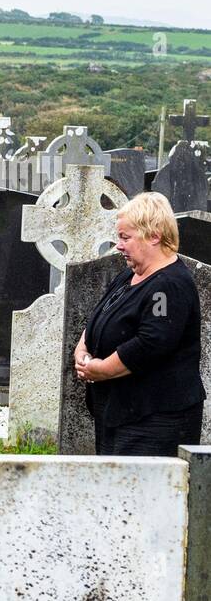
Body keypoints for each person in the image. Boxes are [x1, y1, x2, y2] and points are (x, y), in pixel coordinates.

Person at [75, 192, 204, 456]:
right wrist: (82, 351)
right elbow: (100, 315)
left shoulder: (167, 286)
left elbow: (151, 342)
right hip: (117, 412)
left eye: (125, 237)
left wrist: (102, 369)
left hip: (153, 420)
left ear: (154, 235)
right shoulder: (128, 276)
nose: (119, 246)